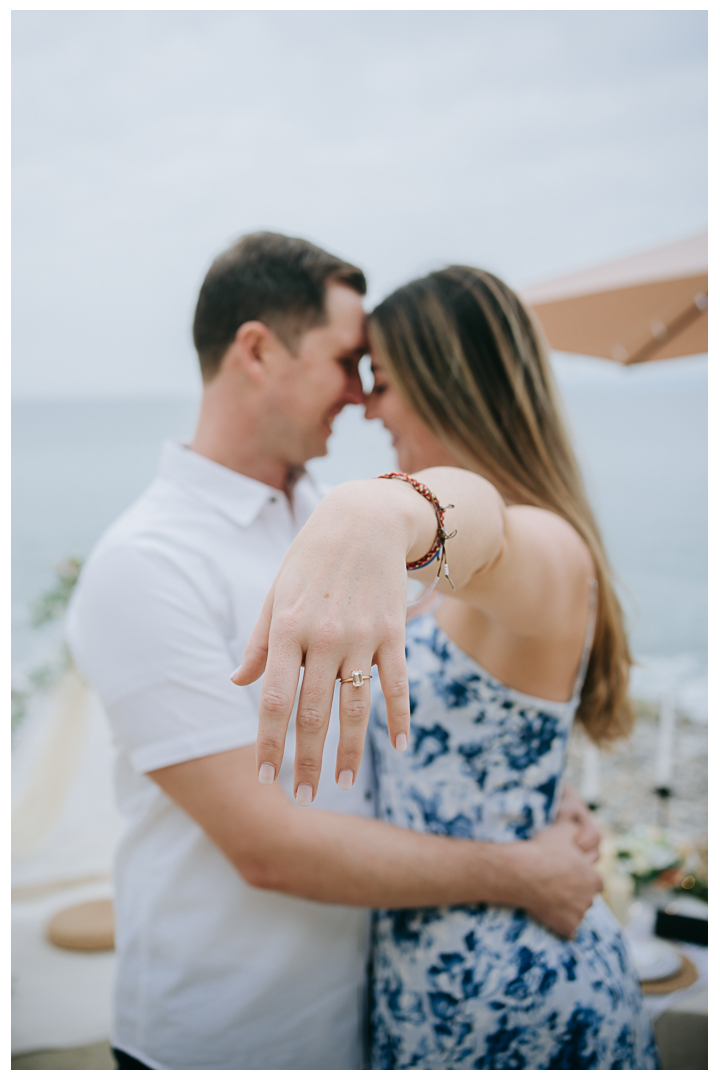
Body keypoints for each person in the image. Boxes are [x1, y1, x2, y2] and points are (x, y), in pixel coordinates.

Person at [67, 234, 602, 1071]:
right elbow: (267, 847)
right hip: (225, 1040)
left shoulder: (334, 522)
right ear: (256, 350)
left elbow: (484, 605)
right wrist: (522, 867)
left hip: (372, 1018)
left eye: (375, 377)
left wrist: (536, 788)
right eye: (350, 363)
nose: (360, 401)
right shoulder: (146, 563)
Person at [234, 265, 659, 1069]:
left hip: (521, 995)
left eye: (384, 381)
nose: (367, 405)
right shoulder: (450, 586)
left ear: (449, 382)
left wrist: (385, 507)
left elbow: (485, 525)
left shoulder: (548, 547)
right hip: (423, 984)